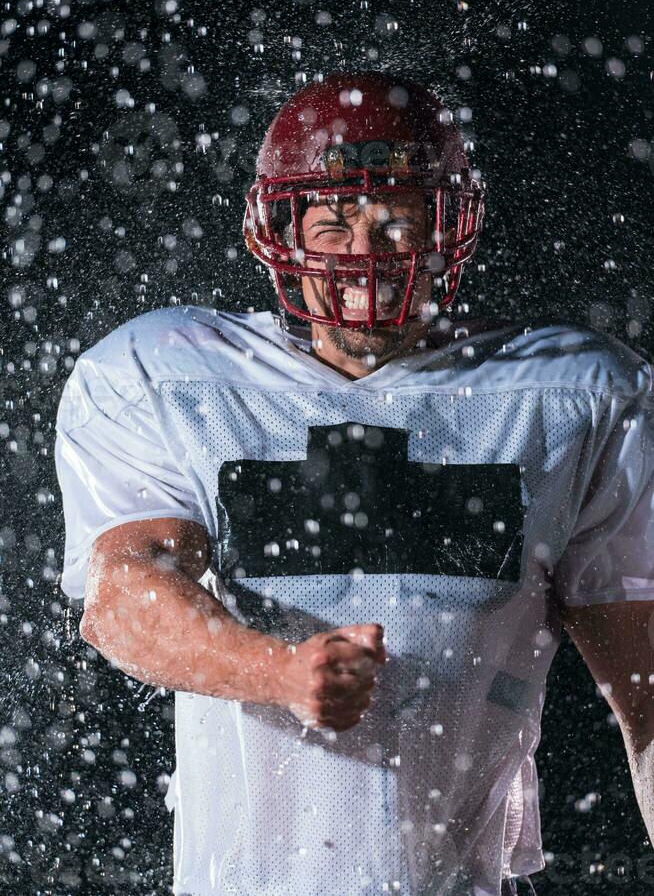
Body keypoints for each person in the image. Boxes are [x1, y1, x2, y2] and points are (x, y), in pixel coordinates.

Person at [54, 71, 654, 896]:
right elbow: (121, 600)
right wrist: (277, 672)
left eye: (397, 220)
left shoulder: (575, 395)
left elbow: (648, 694)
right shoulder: (169, 378)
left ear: (448, 231)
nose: (366, 253)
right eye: (333, 223)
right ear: (278, 232)